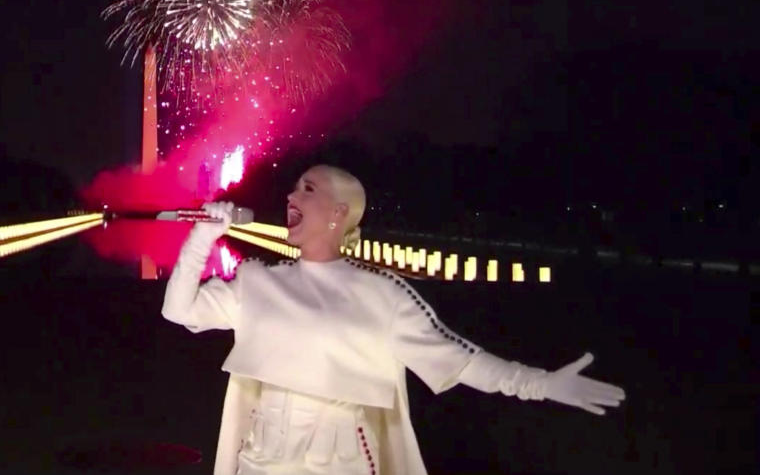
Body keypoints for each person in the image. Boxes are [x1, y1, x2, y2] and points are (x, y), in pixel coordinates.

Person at [162, 164, 625, 475]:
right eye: (295, 187)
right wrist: (202, 236)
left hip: (338, 464)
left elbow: (461, 362)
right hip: (261, 461)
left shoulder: (383, 294)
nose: (291, 194)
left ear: (339, 214)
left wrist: (541, 384)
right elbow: (178, 309)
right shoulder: (256, 281)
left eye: (309, 188)